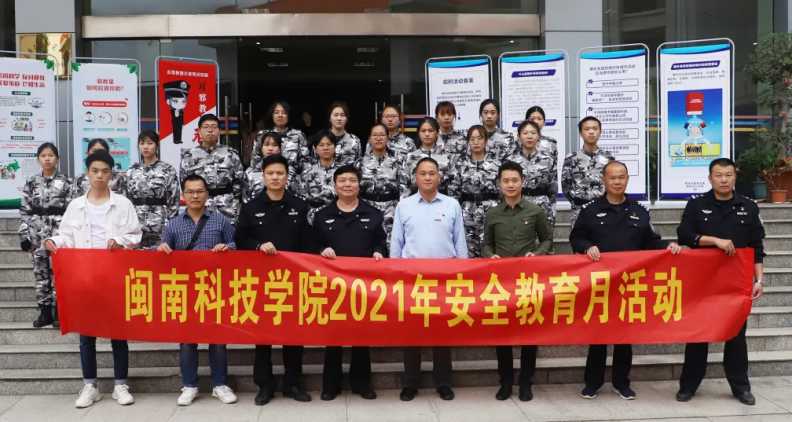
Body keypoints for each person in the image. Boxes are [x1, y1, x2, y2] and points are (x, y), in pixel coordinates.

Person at [569, 161, 681, 401]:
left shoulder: (639, 211)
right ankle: (592, 382)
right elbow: (576, 237)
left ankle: (621, 382)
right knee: (598, 335)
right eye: (612, 178)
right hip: (599, 282)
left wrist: (666, 246)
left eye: (621, 177)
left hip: (629, 283)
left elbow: (650, 241)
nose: (617, 182)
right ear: (603, 180)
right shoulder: (590, 210)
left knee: (624, 336)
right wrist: (587, 247)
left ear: (627, 180)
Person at [43, 150, 141, 409]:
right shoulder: (76, 206)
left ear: (111, 174)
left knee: (118, 332)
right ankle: (90, 385)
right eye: (95, 171)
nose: (99, 176)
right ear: (87, 173)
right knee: (86, 334)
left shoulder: (123, 204)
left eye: (104, 171)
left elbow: (135, 235)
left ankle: (121, 384)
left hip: (114, 277)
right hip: (84, 277)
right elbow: (67, 236)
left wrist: (119, 241)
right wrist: (55, 240)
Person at [675, 158, 765, 406]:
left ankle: (740, 387)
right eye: (718, 175)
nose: (723, 180)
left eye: (728, 175)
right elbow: (684, 235)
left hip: (736, 282)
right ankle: (688, 386)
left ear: (735, 177)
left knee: (736, 336)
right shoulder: (697, 205)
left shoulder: (748, 206)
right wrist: (714, 240)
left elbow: (756, 247)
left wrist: (759, 279)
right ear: (710, 178)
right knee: (698, 334)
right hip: (702, 281)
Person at [153, 174, 238, 406]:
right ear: (183, 195)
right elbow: (162, 250)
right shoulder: (174, 224)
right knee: (187, 340)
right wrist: (159, 248)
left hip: (214, 287)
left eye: (200, 191)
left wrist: (227, 247)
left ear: (207, 194)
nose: (195, 196)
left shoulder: (220, 221)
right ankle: (190, 385)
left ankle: (219, 384)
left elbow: (235, 246)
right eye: (190, 191)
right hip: (186, 288)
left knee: (218, 338)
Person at [235, 154, 312, 405]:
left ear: (287, 176)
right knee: (263, 337)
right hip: (261, 282)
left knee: (294, 336)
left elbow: (308, 243)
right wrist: (258, 245)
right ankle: (264, 386)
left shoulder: (299, 206)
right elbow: (240, 239)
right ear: (263, 177)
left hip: (293, 281)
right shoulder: (251, 207)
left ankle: (293, 385)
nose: (275, 177)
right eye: (271, 173)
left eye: (280, 173)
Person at [391, 157, 467, 402]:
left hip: (444, 279)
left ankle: (443, 382)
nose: (427, 177)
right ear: (415, 177)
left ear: (439, 177)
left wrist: (463, 273)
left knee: (441, 333)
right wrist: (395, 274)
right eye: (422, 173)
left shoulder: (451, 204)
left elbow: (459, 242)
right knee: (411, 333)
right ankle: (410, 383)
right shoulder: (404, 206)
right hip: (412, 280)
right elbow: (397, 243)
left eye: (431, 173)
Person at [314, 165, 386, 401]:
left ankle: (361, 383)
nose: (347, 184)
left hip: (363, 285)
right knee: (333, 336)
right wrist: (321, 250)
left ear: (359, 185)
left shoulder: (373, 214)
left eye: (352, 180)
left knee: (361, 336)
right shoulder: (322, 215)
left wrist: (379, 252)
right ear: (334, 185)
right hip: (331, 285)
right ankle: (330, 385)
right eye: (342, 180)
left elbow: (380, 242)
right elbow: (312, 245)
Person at [483, 160, 553, 402]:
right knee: (502, 334)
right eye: (506, 181)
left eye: (514, 180)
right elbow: (486, 244)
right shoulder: (493, 214)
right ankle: (505, 382)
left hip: (528, 282)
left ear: (523, 182)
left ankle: (525, 381)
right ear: (499, 184)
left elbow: (547, 239)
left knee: (528, 334)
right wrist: (489, 256)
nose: (510, 185)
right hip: (501, 283)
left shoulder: (535, 211)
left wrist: (538, 254)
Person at [19, 143, 75, 328]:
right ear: (38, 159)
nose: (47, 159)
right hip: (37, 236)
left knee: (59, 273)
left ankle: (60, 312)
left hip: (59, 236)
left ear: (57, 159)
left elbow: (73, 211)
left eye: (51, 155)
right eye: (43, 155)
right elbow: (25, 211)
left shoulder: (67, 182)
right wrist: (24, 236)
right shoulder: (31, 183)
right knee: (41, 275)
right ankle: (44, 313)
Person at [180, 114, 245, 224]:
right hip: (199, 205)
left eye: (214, 127)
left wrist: (228, 197)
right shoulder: (189, 156)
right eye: (206, 127)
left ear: (219, 130)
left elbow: (239, 180)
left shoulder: (230, 153)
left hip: (225, 206)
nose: (210, 130)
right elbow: (184, 181)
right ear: (199, 130)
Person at [448, 125, 501, 258]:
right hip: (467, 213)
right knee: (469, 253)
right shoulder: (460, 165)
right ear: (468, 142)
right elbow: (453, 192)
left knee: (491, 252)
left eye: (479, 138)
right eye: (472, 139)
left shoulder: (496, 165)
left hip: (491, 212)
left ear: (486, 141)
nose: (476, 142)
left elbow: (502, 191)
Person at [126, 130, 180, 249]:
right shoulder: (132, 170)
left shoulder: (167, 169)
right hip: (137, 221)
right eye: (142, 143)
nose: (145, 147)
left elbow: (174, 200)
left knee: (161, 254)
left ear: (157, 145)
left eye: (150, 143)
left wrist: (171, 225)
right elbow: (127, 199)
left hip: (160, 221)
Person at [357, 123, 409, 244]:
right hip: (366, 209)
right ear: (369, 139)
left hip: (391, 210)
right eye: (375, 135)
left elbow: (404, 188)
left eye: (382, 135)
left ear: (388, 138)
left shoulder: (397, 163)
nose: (378, 138)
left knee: (391, 245)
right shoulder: (360, 163)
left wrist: (401, 211)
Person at [562, 116, 615, 227]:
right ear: (581, 133)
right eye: (587, 129)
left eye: (595, 129)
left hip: (603, 209)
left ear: (600, 132)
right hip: (579, 210)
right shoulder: (571, 158)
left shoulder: (608, 158)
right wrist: (577, 201)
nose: (591, 132)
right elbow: (566, 185)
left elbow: (612, 183)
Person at [505, 120, 558, 229]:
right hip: (518, 206)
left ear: (538, 136)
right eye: (525, 133)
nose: (529, 136)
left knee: (544, 238)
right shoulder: (511, 160)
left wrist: (552, 210)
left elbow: (553, 187)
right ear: (519, 137)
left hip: (542, 206)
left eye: (533, 133)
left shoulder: (548, 159)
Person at [249, 100, 309, 176]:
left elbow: (305, 163)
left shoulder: (298, 135)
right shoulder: (262, 135)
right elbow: (255, 162)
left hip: (292, 179)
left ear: (289, 115)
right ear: (272, 115)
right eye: (276, 112)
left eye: (284, 112)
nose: (280, 115)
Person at [402, 117, 455, 195]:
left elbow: (454, 184)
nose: (427, 134)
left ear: (436, 133)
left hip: (442, 198)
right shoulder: (410, 157)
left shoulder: (448, 156)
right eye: (423, 131)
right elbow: (403, 185)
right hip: (416, 198)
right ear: (418, 133)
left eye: (430, 131)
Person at [294, 130, 341, 216]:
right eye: (321, 145)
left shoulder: (344, 172)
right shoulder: (306, 174)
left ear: (335, 147)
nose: (325, 148)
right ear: (315, 149)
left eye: (329, 144)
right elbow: (302, 201)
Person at [245, 131, 282, 201]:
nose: (270, 148)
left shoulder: (288, 172)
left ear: (279, 149)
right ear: (261, 148)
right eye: (266, 145)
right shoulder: (250, 173)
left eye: (274, 145)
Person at [325, 101, 362, 166]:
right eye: (335, 115)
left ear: (347, 118)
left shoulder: (354, 140)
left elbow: (358, 164)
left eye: (342, 115)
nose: (339, 118)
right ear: (329, 118)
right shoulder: (321, 139)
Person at [163, 80, 190, 144]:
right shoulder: (172, 110)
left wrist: (182, 123)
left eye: (183, 101)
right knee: (175, 131)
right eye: (175, 101)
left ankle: (179, 139)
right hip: (175, 123)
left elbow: (182, 117)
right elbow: (174, 116)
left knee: (180, 130)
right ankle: (175, 140)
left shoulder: (181, 111)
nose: (180, 104)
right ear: (168, 101)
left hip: (180, 123)